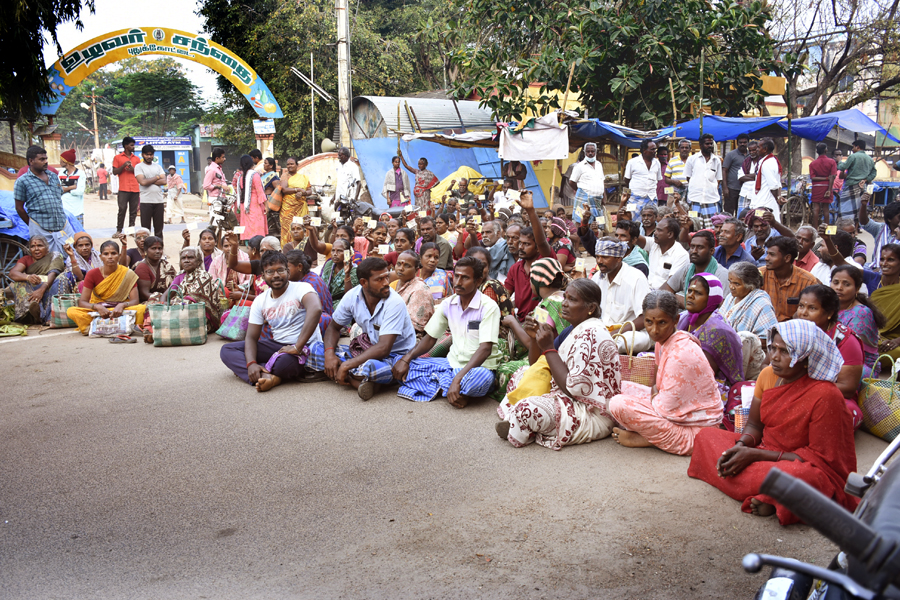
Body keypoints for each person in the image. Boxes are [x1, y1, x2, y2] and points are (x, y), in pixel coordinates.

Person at [688, 319, 857, 525]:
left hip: (795, 464)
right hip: (763, 452)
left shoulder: (826, 395)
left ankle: (767, 491)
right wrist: (741, 447)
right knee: (707, 436)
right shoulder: (768, 375)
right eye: (773, 348)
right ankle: (773, 494)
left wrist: (754, 455)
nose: (774, 357)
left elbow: (822, 459)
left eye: (785, 352)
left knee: (803, 478)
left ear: (805, 358)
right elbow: (755, 426)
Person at [496, 279, 622, 449]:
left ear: (591, 308)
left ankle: (519, 425)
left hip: (592, 413)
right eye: (565, 298)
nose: (565, 304)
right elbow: (536, 364)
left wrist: (548, 347)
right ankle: (525, 425)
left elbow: (572, 389)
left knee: (526, 408)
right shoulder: (573, 329)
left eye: (572, 300)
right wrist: (534, 338)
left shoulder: (592, 333)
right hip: (568, 394)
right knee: (522, 373)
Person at [608, 290, 723, 456]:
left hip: (697, 432)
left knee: (618, 404)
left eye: (662, 323)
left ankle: (649, 439)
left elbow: (666, 411)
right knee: (618, 387)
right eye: (648, 322)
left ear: (676, 320)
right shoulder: (663, 340)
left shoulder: (681, 354)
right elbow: (657, 386)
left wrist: (654, 394)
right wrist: (654, 392)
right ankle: (652, 436)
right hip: (671, 408)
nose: (654, 330)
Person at [393, 256, 502, 407]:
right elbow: (430, 338)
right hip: (450, 364)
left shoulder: (488, 307)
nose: (458, 282)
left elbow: (485, 349)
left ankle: (445, 384)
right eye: (456, 276)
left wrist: (458, 378)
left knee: (479, 379)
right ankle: (454, 390)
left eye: (465, 278)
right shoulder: (448, 304)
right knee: (401, 364)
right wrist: (406, 359)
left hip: (479, 367)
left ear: (477, 281)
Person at [307, 258, 417, 399]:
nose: (386, 283)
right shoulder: (352, 297)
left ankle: (348, 375)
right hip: (368, 349)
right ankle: (359, 381)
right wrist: (329, 355)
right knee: (314, 348)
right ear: (364, 282)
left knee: (370, 367)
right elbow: (333, 328)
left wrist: (346, 365)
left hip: (396, 357)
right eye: (379, 279)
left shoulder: (394, 303)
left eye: (386, 277)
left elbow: (384, 348)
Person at [219, 252, 323, 392]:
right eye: (270, 272)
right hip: (279, 346)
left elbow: (316, 309)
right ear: (263, 275)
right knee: (228, 350)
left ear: (287, 271)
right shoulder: (260, 300)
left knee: (283, 364)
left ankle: (270, 374)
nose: (276, 275)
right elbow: (251, 337)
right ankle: (263, 374)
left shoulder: (302, 288)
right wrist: (250, 363)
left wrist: (297, 347)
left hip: (304, 347)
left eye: (280, 270)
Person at [795, 285, 865, 426]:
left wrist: (803, 390)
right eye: (801, 306)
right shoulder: (792, 330)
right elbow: (767, 365)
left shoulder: (844, 339)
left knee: (841, 414)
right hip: (791, 390)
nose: (803, 313)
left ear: (829, 313)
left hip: (828, 396)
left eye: (812, 308)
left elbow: (847, 388)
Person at [142, 246, 225, 343]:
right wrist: (163, 303)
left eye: (190, 258)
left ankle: (160, 330)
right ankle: (150, 328)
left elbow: (193, 299)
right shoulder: (181, 274)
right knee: (155, 296)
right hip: (178, 310)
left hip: (199, 317)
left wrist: (167, 306)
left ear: (198, 261)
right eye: (183, 258)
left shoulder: (203, 275)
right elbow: (167, 294)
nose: (186, 261)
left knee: (184, 303)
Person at [66, 240, 147, 334]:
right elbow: (82, 302)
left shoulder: (128, 274)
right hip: (98, 310)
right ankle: (123, 325)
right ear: (101, 257)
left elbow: (135, 301)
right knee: (72, 311)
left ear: (119, 256)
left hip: (120, 310)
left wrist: (122, 305)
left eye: (113, 253)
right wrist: (97, 307)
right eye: (106, 254)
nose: (110, 257)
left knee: (142, 309)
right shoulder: (92, 274)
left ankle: (95, 326)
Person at [678, 273, 744, 388]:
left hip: (710, 385)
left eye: (698, 293)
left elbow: (701, 373)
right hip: (682, 374)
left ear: (711, 298)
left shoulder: (717, 330)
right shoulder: (684, 317)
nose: (690, 296)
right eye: (689, 291)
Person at [503, 192, 556, 320]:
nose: (520, 247)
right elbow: (504, 295)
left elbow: (542, 242)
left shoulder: (545, 261)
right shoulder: (515, 269)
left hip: (545, 322)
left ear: (537, 247)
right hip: (522, 322)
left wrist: (531, 211)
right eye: (520, 243)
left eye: (526, 244)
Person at [13, 146, 73, 256]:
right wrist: (33, 225)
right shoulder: (22, 181)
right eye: (41, 159)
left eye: (46, 159)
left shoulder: (53, 176)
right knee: (48, 261)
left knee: (72, 253)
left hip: (62, 225)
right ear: (31, 161)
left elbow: (58, 196)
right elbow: (19, 208)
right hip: (40, 229)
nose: (45, 162)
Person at [719, 261, 779, 364]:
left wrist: (740, 340)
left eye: (737, 284)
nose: (731, 287)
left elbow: (769, 339)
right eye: (730, 282)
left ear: (750, 285)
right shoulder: (730, 298)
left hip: (748, 357)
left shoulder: (761, 303)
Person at [832, 264, 885, 372]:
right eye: (835, 282)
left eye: (846, 284)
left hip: (859, 365)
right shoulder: (828, 307)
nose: (839, 287)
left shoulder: (861, 313)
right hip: (831, 358)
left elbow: (849, 349)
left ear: (857, 288)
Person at [4, 234, 64, 324]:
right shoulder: (26, 259)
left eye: (40, 245)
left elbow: (53, 273)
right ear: (29, 249)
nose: (36, 249)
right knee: (19, 283)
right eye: (33, 246)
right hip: (33, 289)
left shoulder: (55, 256)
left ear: (47, 248)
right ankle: (37, 313)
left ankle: (49, 317)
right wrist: (28, 277)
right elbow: (13, 273)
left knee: (61, 279)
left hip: (50, 285)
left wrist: (41, 290)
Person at [661, 231, 730, 308]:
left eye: (700, 247)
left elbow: (721, 308)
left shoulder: (721, 274)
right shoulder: (688, 268)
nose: (694, 251)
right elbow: (664, 291)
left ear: (711, 251)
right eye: (692, 247)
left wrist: (680, 299)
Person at [759, 236, 819, 322]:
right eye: (767, 253)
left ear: (787, 258)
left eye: (772, 254)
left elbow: (811, 313)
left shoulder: (808, 281)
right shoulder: (760, 275)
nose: (766, 258)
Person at [390, 250, 435, 339]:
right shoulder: (394, 284)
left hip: (409, 337)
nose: (401, 268)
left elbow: (414, 326)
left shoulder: (420, 289)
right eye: (399, 264)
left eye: (407, 266)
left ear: (416, 270)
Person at [684, 134, 723, 226]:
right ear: (701, 145)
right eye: (707, 144)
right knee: (695, 226)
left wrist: (710, 188)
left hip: (711, 200)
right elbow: (688, 177)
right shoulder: (692, 159)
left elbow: (718, 179)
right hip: (695, 199)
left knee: (712, 228)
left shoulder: (716, 160)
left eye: (711, 144)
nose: (710, 146)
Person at [836, 140, 877, 229]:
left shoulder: (853, 156)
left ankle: (845, 228)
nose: (853, 149)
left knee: (846, 209)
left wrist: (839, 161)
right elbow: (874, 173)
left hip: (851, 185)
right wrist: (866, 179)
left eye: (853, 147)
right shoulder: (869, 159)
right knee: (860, 208)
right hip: (863, 187)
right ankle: (856, 229)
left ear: (857, 147)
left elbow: (842, 167)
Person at [871, 244, 900, 365]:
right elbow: (842, 265)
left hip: (895, 341)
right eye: (882, 259)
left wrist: (897, 341)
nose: (884, 263)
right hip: (874, 339)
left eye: (891, 260)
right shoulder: (873, 280)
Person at [643, 217, 689, 289]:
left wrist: (651, 297)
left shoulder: (681, 255)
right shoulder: (654, 244)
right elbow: (635, 237)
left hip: (663, 296)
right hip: (647, 290)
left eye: (659, 230)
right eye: (656, 230)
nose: (655, 233)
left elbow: (671, 285)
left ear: (670, 234)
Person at [132, 144, 167, 238]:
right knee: (145, 230)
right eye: (147, 154)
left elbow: (164, 181)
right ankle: (146, 250)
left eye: (151, 154)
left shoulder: (158, 167)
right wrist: (157, 177)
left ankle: (159, 250)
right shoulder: (139, 167)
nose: (149, 156)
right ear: (142, 155)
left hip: (159, 201)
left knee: (159, 229)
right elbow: (142, 182)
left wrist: (149, 180)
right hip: (146, 201)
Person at [622, 139, 662, 217]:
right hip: (635, 198)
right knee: (633, 221)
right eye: (652, 149)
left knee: (651, 222)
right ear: (644, 150)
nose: (655, 151)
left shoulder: (657, 163)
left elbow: (658, 179)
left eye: (655, 149)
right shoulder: (632, 162)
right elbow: (627, 180)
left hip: (652, 198)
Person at [232, 154, 268, 241]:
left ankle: (249, 249)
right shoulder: (254, 175)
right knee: (256, 231)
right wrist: (266, 206)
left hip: (245, 206)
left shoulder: (241, 177)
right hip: (255, 206)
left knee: (248, 230)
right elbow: (260, 192)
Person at [569, 143, 607, 224]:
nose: (590, 153)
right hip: (584, 199)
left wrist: (604, 196)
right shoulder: (579, 166)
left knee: (598, 223)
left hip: (598, 199)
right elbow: (571, 182)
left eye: (592, 151)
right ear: (584, 152)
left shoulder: (599, 164)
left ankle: (597, 236)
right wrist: (582, 191)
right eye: (588, 151)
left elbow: (602, 180)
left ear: (595, 152)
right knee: (582, 221)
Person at [278, 157, 312, 246]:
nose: (290, 166)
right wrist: (298, 190)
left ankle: (303, 249)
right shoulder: (285, 176)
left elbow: (310, 190)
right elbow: (284, 189)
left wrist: (303, 193)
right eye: (288, 164)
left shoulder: (303, 177)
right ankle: (287, 250)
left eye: (292, 164)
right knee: (288, 230)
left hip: (301, 207)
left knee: (302, 228)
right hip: (288, 209)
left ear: (297, 165)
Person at [859, 198, 900, 270]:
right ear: (889, 219)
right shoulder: (880, 228)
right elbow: (864, 223)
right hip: (875, 268)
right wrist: (864, 205)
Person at [134, 236, 176, 303]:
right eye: (153, 248)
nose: (157, 251)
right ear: (145, 250)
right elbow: (144, 294)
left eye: (160, 248)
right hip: (150, 302)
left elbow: (175, 285)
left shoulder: (166, 265)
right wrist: (162, 300)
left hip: (168, 299)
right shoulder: (142, 268)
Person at [113, 137, 141, 234]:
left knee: (133, 211)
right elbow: (114, 171)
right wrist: (123, 165)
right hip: (123, 188)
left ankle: (130, 230)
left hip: (135, 188)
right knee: (122, 209)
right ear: (125, 146)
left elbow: (140, 173)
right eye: (131, 145)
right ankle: (119, 230)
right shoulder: (117, 158)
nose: (133, 147)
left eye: (133, 145)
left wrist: (132, 169)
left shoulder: (137, 159)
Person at [748, 138, 783, 219]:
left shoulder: (767, 163)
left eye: (758, 147)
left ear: (765, 149)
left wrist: (777, 198)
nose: (757, 150)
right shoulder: (769, 160)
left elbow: (774, 185)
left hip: (765, 202)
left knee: (763, 225)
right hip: (762, 200)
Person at [808, 143, 837, 228]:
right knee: (825, 209)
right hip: (827, 187)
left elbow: (812, 178)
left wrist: (824, 178)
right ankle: (826, 229)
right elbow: (833, 176)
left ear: (817, 152)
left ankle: (815, 228)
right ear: (826, 150)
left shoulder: (813, 164)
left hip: (816, 187)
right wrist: (828, 186)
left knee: (816, 208)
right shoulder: (832, 162)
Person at [722, 134, 749, 216]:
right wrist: (725, 188)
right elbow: (724, 170)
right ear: (737, 143)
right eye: (740, 142)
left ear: (748, 143)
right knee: (729, 212)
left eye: (745, 142)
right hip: (732, 188)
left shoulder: (751, 155)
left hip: (745, 190)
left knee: (742, 212)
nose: (742, 144)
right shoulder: (731, 155)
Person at [59, 149, 85, 227]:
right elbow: (57, 189)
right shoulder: (61, 173)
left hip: (76, 211)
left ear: (66, 161)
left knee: (79, 235)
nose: (60, 161)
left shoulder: (80, 174)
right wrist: (72, 187)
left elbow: (80, 191)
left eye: (61, 159)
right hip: (63, 210)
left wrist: (65, 189)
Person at [735, 140, 761, 215]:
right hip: (745, 192)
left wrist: (747, 176)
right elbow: (740, 177)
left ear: (758, 149)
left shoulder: (762, 161)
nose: (752, 152)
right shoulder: (746, 161)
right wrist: (754, 176)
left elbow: (761, 177)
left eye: (754, 150)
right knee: (741, 215)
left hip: (757, 193)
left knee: (756, 215)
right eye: (750, 150)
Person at [260, 157, 281, 239]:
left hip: (268, 200)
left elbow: (277, 190)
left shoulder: (273, 176)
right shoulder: (264, 175)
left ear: (271, 165)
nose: (264, 165)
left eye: (265, 163)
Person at [202, 147, 228, 213]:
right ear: (217, 158)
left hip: (221, 198)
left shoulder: (218, 168)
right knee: (216, 221)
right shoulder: (212, 169)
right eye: (223, 157)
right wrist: (219, 186)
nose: (224, 159)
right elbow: (206, 186)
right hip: (215, 199)